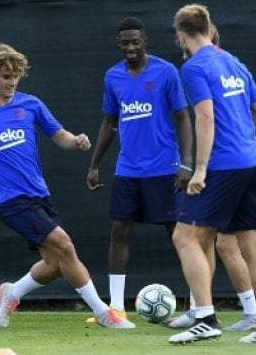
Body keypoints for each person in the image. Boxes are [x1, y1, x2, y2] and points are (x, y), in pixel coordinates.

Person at [0, 43, 135, 331]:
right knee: (66, 246)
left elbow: (59, 135)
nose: (11, 82)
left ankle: (13, 292)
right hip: (11, 201)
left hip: (40, 194)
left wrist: (76, 141)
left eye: (15, 76)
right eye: (5, 76)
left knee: (55, 264)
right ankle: (103, 313)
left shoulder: (30, 104)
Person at [169, 3, 256, 344]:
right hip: (250, 162)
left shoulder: (193, 67)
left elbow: (205, 117)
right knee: (249, 243)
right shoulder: (233, 61)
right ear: (210, 28)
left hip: (222, 165)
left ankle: (205, 318)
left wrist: (200, 168)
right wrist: (255, 157)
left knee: (184, 238)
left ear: (181, 36)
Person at [85, 17, 192, 322]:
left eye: (136, 41)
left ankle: (200, 306)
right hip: (128, 169)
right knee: (119, 230)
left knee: (179, 234)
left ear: (145, 41)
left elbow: (183, 118)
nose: (131, 47)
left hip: (164, 167)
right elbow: (109, 123)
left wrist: (186, 163)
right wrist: (94, 164)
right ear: (119, 44)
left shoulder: (166, 72)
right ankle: (116, 309)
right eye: (125, 43)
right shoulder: (113, 77)